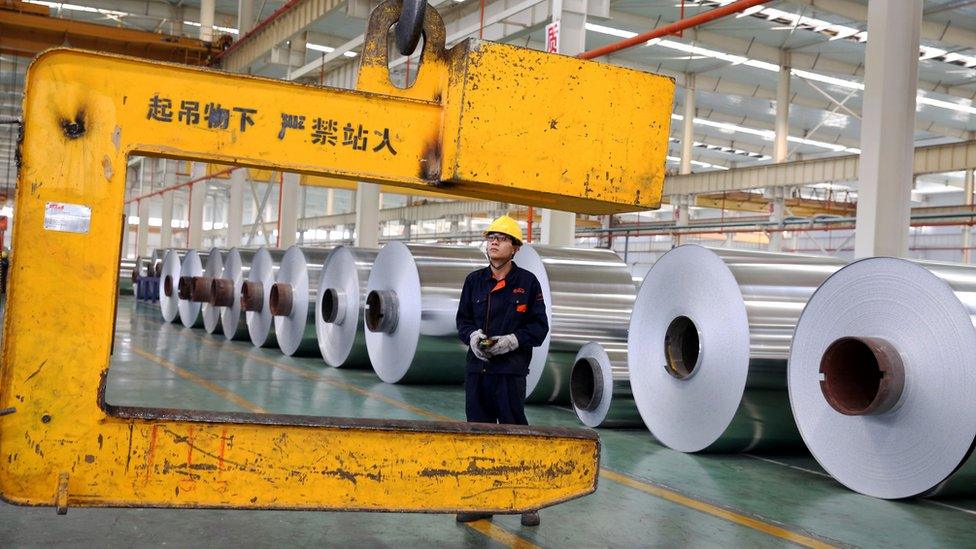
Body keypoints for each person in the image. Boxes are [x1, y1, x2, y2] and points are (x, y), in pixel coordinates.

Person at [454, 215, 549, 527]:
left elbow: (539, 327)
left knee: (515, 434)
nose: (494, 241)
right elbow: (463, 320)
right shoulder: (473, 282)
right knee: (479, 436)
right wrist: (473, 337)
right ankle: (483, 501)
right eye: (491, 236)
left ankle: (527, 501)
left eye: (502, 238)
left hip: (509, 373)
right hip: (477, 372)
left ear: (515, 248)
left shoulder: (528, 284)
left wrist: (512, 341)